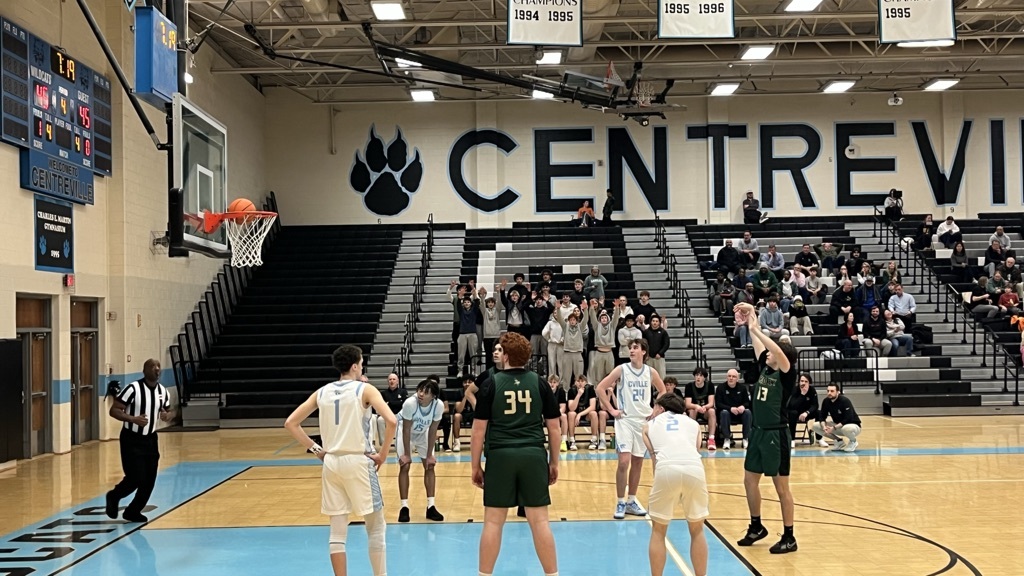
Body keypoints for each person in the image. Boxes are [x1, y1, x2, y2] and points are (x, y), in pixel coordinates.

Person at [284, 345, 397, 576]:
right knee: (376, 527)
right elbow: (392, 421)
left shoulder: (322, 391)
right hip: (358, 460)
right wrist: (383, 454)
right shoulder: (365, 390)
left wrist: (318, 450)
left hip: (332, 462)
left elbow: (291, 423)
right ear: (355, 365)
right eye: (362, 362)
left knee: (337, 532)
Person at [471, 332, 562, 576]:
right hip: (533, 454)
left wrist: (475, 466)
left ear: (507, 356)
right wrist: (554, 461)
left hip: (500, 455)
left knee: (492, 522)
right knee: (540, 521)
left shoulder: (491, 383)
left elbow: (478, 431)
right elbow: (554, 428)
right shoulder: (540, 383)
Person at [733, 301, 799, 555]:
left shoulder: (786, 372)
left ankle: (790, 536)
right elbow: (756, 336)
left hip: (776, 434)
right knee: (749, 481)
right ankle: (756, 526)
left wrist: (761, 331)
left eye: (773, 352)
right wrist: (752, 317)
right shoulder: (765, 366)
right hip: (758, 432)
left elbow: (775, 350)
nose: (767, 354)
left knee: (781, 488)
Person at [597, 339, 667, 519]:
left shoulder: (650, 372)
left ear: (644, 351)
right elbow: (600, 388)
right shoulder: (622, 369)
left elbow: (662, 391)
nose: (632, 350)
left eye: (635, 347)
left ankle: (631, 501)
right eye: (630, 348)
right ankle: (620, 501)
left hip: (643, 422)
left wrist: (655, 410)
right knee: (623, 462)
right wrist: (612, 410)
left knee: (638, 462)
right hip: (625, 420)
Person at [642, 394, 710, 576]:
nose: (652, 411)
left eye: (654, 407)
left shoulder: (649, 426)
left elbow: (653, 455)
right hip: (694, 469)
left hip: (666, 469)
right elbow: (696, 449)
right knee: (697, 530)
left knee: (658, 530)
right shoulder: (693, 424)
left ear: (661, 409)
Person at [105, 359, 173, 523]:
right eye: (152, 366)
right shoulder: (133, 389)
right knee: (135, 477)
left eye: (158, 366)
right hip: (131, 438)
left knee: (150, 479)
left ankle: (133, 511)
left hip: (151, 439)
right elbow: (114, 410)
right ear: (144, 370)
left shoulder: (163, 392)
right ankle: (114, 496)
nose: (156, 368)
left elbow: (168, 410)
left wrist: (166, 415)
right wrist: (132, 419)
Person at [396, 379, 445, 523]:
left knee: (430, 466)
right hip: (405, 432)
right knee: (405, 465)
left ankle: (431, 506)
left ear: (434, 396)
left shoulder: (438, 406)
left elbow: (433, 430)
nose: (421, 394)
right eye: (420, 390)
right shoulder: (410, 403)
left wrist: (429, 455)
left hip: (423, 433)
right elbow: (406, 429)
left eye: (426, 392)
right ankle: (404, 507)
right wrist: (406, 454)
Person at [812, 383, 863, 452]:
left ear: (838, 392)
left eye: (832, 391)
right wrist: (824, 427)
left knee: (846, 428)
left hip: (853, 426)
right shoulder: (826, 401)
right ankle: (839, 441)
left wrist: (834, 427)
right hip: (838, 426)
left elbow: (848, 418)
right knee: (816, 426)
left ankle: (853, 441)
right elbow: (822, 416)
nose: (829, 393)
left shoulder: (844, 401)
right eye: (828, 391)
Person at [715, 368, 751, 449]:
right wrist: (730, 408)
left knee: (748, 412)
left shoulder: (742, 388)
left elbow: (747, 402)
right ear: (726, 377)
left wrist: (743, 406)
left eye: (734, 376)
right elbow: (718, 404)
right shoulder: (720, 388)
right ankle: (727, 439)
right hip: (726, 413)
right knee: (724, 413)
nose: (731, 378)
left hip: (739, 413)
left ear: (737, 379)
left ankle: (745, 438)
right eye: (729, 376)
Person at [567, 375, 606, 450]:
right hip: (575, 414)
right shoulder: (571, 390)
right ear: (575, 382)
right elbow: (571, 408)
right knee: (571, 413)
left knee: (594, 413)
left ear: (586, 382)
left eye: (582, 381)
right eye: (578, 381)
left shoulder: (590, 389)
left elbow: (593, 406)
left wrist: (580, 414)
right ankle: (572, 441)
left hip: (586, 414)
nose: (580, 383)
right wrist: (578, 395)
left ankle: (594, 440)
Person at [684, 367, 716, 451]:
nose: (698, 377)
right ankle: (692, 438)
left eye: (701, 375)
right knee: (692, 411)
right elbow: (687, 404)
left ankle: (711, 439)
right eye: (697, 375)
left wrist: (705, 407)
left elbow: (711, 403)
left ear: (704, 377)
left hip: (705, 410)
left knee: (712, 411)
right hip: (694, 409)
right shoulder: (689, 386)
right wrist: (696, 406)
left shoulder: (710, 385)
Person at [786, 373, 820, 448]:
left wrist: (807, 413)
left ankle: (819, 438)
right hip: (795, 413)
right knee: (793, 413)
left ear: (809, 383)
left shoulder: (812, 390)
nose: (803, 383)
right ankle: (792, 440)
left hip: (806, 413)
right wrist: (802, 395)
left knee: (819, 413)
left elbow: (815, 405)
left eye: (806, 381)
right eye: (802, 381)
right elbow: (793, 405)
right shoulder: (795, 389)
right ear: (799, 382)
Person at [375, 373, 407, 450]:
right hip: (387, 415)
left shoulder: (403, 392)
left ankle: (401, 444)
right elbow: (383, 405)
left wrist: (390, 403)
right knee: (380, 420)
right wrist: (397, 402)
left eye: (394, 379)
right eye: (390, 379)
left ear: (397, 381)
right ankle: (384, 445)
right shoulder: (383, 393)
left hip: (399, 415)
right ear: (388, 381)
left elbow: (403, 404)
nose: (392, 381)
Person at [451, 376, 477, 453]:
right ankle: (457, 442)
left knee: (480, 416)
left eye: (469, 382)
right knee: (456, 416)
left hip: (474, 414)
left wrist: (471, 396)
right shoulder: (459, 392)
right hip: (463, 414)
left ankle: (477, 442)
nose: (467, 384)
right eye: (465, 382)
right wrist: (466, 396)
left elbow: (477, 408)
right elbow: (459, 410)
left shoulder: (478, 392)